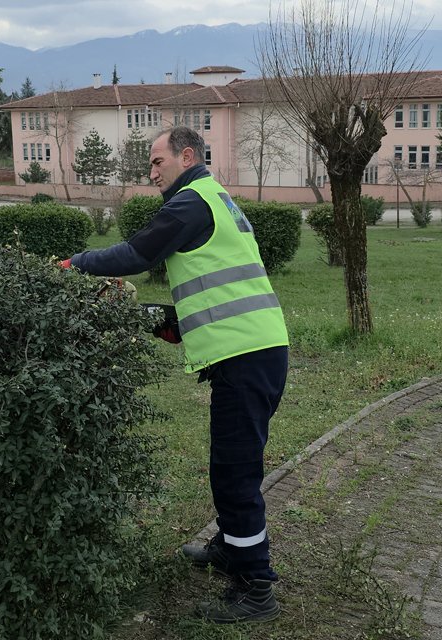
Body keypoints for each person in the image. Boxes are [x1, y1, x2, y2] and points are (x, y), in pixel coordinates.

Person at [63, 126, 289, 623]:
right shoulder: (215, 196)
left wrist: (74, 264)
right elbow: (216, 286)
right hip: (253, 349)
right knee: (227, 465)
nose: (151, 171)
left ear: (187, 155)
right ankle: (231, 549)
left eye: (157, 160)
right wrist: (164, 319)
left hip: (247, 357)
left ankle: (256, 587)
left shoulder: (190, 201)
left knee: (235, 474)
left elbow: (136, 254)